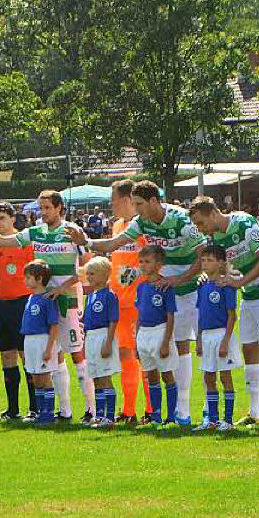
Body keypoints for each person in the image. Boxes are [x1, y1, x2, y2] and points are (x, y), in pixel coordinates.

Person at [71, 181, 204, 426]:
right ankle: (170, 414)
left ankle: (193, 412)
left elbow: (203, 254)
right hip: (162, 289)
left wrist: (182, 278)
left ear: (154, 201)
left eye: (139, 204)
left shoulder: (182, 219)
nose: (135, 208)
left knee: (196, 349)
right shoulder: (139, 223)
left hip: (190, 285)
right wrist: (86, 242)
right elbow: (112, 245)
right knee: (170, 349)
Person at [0, 191, 90, 423]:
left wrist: (64, 287)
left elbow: (87, 266)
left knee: (76, 355)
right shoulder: (35, 233)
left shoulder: (72, 231)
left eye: (47, 208)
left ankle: (91, 411)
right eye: (40, 208)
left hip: (67, 301)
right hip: (43, 302)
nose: (43, 213)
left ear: (59, 208)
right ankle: (63, 412)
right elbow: (2, 244)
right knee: (55, 358)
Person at [190, 196, 259, 428]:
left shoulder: (244, 222)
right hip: (249, 294)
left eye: (201, 223)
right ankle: (254, 411)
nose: (201, 229)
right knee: (250, 350)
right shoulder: (217, 236)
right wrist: (209, 275)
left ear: (212, 213)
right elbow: (225, 267)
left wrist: (240, 283)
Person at [105, 180, 150, 425]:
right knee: (125, 356)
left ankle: (151, 410)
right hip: (119, 304)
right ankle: (129, 410)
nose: (111, 204)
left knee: (144, 356)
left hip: (141, 303)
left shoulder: (143, 229)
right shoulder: (117, 227)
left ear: (124, 200)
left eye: (113, 199)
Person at [0, 202, 34, 422]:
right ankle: (12, 409)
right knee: (7, 356)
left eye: (2, 218)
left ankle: (34, 408)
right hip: (4, 306)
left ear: (12, 219)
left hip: (23, 304)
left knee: (27, 357)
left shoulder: (25, 244)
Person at [193, 244, 240, 432]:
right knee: (208, 377)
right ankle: (212, 420)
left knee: (225, 377)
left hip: (221, 334)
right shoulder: (202, 285)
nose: (205, 264)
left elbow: (232, 315)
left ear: (221, 263)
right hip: (206, 336)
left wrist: (226, 341)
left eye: (210, 260)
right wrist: (198, 339)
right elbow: (200, 315)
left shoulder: (226, 285)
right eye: (203, 260)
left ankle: (227, 421)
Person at [134, 245, 179, 429]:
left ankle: (171, 417)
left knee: (167, 374)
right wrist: (137, 339)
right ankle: (155, 416)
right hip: (144, 333)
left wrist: (166, 342)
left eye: (147, 262)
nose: (143, 266)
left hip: (160, 331)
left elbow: (170, 316)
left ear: (159, 265)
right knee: (151, 375)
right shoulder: (142, 287)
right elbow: (139, 314)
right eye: (141, 262)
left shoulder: (165, 286)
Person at [81, 256, 119, 428]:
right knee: (95, 377)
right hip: (91, 337)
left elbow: (113, 321)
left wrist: (108, 342)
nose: (89, 277)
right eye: (87, 273)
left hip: (103, 336)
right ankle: (99, 415)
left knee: (104, 377)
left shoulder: (110, 296)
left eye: (93, 273)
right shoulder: (90, 295)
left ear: (105, 275)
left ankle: (109, 417)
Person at [20, 260, 60, 426]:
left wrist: (49, 348)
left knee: (44, 377)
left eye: (28, 278)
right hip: (29, 340)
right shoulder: (31, 297)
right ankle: (40, 411)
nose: (25, 281)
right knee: (35, 377)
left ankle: (49, 413)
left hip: (42, 340)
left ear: (39, 278)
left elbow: (54, 325)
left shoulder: (47, 299)